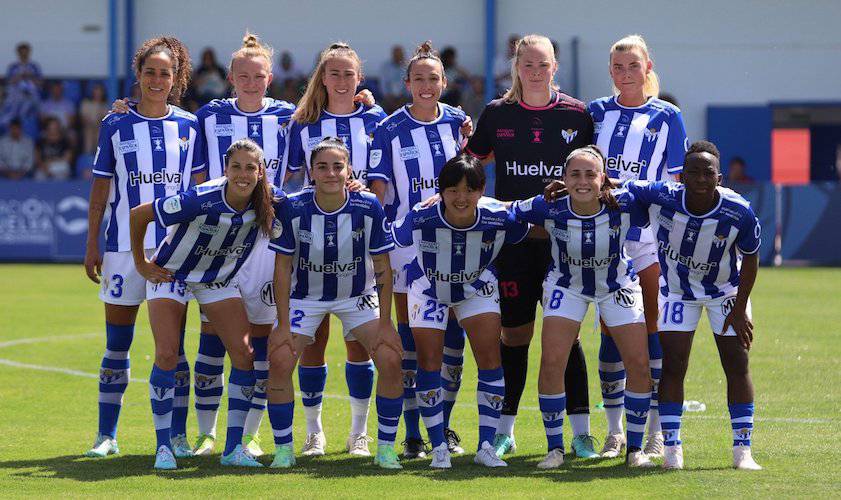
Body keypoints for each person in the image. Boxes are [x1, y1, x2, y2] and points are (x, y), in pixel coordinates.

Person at [465, 34, 597, 459]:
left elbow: (595, 173)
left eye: (543, 64)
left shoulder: (577, 115)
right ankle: (505, 430)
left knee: (566, 337)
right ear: (516, 67)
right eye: (528, 64)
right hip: (515, 247)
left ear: (555, 67)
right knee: (515, 336)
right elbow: (470, 164)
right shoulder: (496, 114)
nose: (536, 71)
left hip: (565, 247)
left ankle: (581, 433)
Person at [83, 36, 204, 460]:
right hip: (120, 250)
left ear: (176, 78)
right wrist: (92, 243)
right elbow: (99, 191)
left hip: (173, 252)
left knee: (175, 349)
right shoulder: (114, 123)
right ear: (138, 75)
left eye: (165, 73)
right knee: (117, 343)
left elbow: (198, 192)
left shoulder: (190, 126)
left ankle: (179, 437)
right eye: (149, 72)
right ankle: (106, 435)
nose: (156, 79)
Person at [130, 139, 275, 469]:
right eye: (236, 166)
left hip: (215, 280)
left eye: (250, 167)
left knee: (244, 355)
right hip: (172, 275)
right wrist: (141, 264)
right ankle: (164, 447)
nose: (243, 174)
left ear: (260, 171)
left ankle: (233, 448)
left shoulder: (267, 200)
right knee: (167, 353)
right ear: (225, 168)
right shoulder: (200, 198)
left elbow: (309, 203)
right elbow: (139, 215)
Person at [623, 141, 763, 471]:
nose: (701, 178)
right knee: (673, 364)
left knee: (736, 362)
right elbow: (624, 188)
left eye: (708, 173)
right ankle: (672, 449)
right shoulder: (663, 195)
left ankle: (742, 450)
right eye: (694, 173)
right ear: (681, 177)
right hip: (676, 291)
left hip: (725, 291)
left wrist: (740, 308)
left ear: (720, 178)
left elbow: (752, 259)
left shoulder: (738, 210)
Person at [511, 146, 654, 468]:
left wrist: (615, 185)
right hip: (567, 286)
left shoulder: (626, 201)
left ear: (603, 177)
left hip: (617, 284)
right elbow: (506, 210)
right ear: (563, 178)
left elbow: (660, 193)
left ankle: (634, 450)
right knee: (551, 361)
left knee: (639, 363)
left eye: (591, 174)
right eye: (575, 174)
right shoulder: (548, 206)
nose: (583, 181)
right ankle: (554, 449)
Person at [265, 138, 404, 469]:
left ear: (349, 170)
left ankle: (381, 446)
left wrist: (386, 323)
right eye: (322, 167)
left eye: (337, 166)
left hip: (357, 296)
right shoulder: (293, 207)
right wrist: (282, 325)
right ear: (311, 172)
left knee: (389, 358)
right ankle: (289, 447)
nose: (330, 173)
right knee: (281, 360)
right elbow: (282, 269)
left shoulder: (368, 205)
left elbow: (383, 267)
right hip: (306, 297)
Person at [588, 34, 689, 458]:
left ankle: (655, 431)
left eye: (633, 66)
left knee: (651, 330)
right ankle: (614, 432)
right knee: (611, 331)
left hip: (647, 240)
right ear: (610, 71)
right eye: (618, 67)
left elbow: (676, 182)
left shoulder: (668, 116)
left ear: (648, 67)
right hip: (600, 240)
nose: (625, 73)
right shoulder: (594, 112)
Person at [368, 41, 470, 459]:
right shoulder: (389, 129)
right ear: (407, 83)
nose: (426, 86)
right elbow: (377, 194)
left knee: (452, 342)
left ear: (444, 83)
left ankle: (442, 428)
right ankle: (413, 435)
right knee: (411, 342)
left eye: (434, 79)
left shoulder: (460, 124)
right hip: (406, 249)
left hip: (455, 243)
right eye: (419, 79)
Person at [391, 154, 527, 468]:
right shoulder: (422, 215)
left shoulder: (498, 215)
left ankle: (485, 447)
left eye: (469, 189)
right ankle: (438, 447)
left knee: (490, 360)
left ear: (481, 190)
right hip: (428, 289)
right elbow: (391, 237)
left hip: (476, 288)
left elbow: (529, 225)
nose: (461, 197)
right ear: (440, 191)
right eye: (452, 190)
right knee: (428, 363)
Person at [284, 42, 387, 457]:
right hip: (311, 243)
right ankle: (314, 433)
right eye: (334, 73)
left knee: (358, 343)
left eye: (349, 74)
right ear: (322, 78)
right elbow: (290, 183)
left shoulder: (377, 119)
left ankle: (359, 433)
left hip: (359, 242)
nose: (342, 81)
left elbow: (381, 181)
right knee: (313, 340)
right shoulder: (302, 123)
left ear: (359, 78)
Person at [80, 83, 108, 154]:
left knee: (99, 131)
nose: (98, 94)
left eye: (100, 92)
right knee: (89, 132)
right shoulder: (86, 103)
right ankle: (88, 155)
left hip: (100, 127)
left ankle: (99, 154)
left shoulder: (105, 105)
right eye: (96, 92)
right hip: (88, 127)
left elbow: (104, 120)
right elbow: (83, 119)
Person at [380, 45, 409, 113]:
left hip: (404, 97)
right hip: (389, 97)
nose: (398, 56)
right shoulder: (386, 67)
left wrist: (404, 96)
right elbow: (383, 84)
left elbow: (410, 83)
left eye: (399, 54)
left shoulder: (408, 66)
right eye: (396, 54)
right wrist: (388, 95)